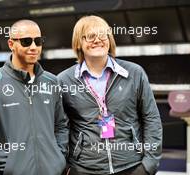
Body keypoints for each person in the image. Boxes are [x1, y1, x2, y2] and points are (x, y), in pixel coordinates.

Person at [58, 15, 162, 175]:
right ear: (79, 42)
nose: (97, 40)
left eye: (102, 35)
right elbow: (58, 127)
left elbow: (151, 118)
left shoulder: (134, 73)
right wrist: (65, 167)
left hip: (131, 166)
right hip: (83, 168)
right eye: (91, 36)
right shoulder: (64, 80)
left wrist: (149, 165)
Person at [0, 19, 68, 175]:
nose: (33, 47)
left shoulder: (53, 81)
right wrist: (11, 165)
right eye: (26, 41)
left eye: (38, 41)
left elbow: (61, 125)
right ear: (11, 44)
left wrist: (58, 158)